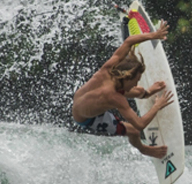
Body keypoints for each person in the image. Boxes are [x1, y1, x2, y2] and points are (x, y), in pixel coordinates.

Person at [72, 20, 175, 158]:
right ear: (127, 76)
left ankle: (147, 93)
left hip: (83, 99)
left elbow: (129, 41)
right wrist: (157, 105)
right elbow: (139, 124)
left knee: (139, 91)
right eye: (135, 80)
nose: (137, 82)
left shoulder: (110, 68)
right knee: (133, 131)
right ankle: (144, 149)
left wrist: (154, 35)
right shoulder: (115, 98)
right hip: (85, 118)